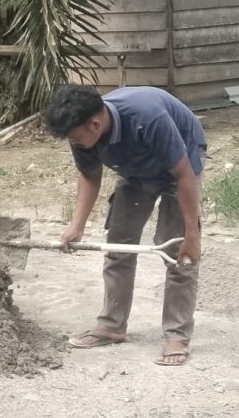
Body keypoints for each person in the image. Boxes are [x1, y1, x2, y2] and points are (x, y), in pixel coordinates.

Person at [46, 83, 206, 367]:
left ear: (95, 125)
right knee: (118, 246)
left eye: (76, 138)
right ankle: (112, 326)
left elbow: (184, 175)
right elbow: (89, 174)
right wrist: (77, 225)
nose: (74, 143)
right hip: (133, 172)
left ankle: (177, 336)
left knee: (179, 254)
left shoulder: (148, 118)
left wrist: (191, 235)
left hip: (179, 171)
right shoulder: (81, 131)